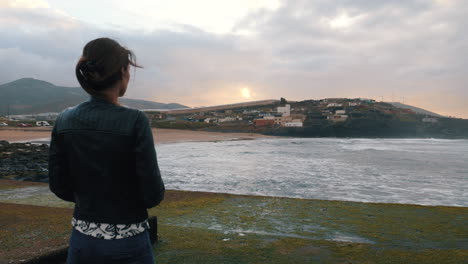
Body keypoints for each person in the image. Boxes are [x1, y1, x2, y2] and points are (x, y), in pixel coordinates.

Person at [48, 37, 165, 264]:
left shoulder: (64, 119)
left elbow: (59, 186)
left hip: (82, 240)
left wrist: (91, 202)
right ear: (122, 71)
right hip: (129, 241)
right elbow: (153, 194)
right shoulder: (135, 120)